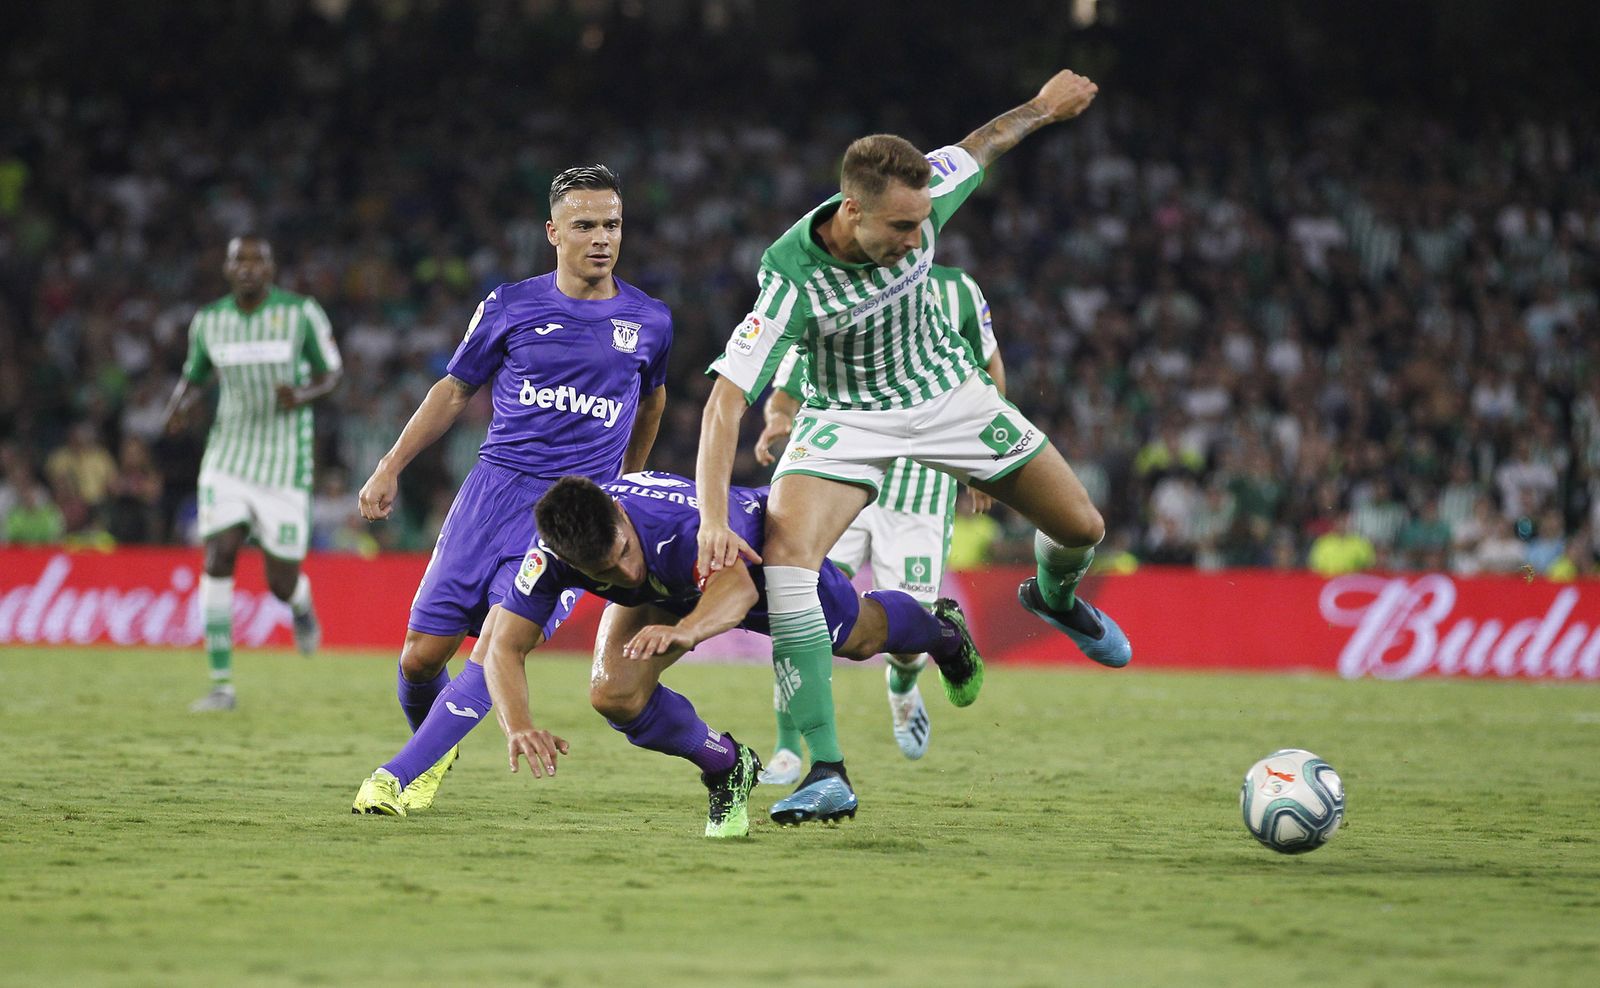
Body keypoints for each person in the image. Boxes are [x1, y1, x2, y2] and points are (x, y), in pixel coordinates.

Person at [694, 69, 1131, 823]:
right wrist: (709, 516)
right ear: (852, 210)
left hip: (947, 394)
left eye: (922, 222)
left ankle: (1054, 597)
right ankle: (825, 769)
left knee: (1082, 528)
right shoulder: (791, 279)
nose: (915, 238)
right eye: (900, 228)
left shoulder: (923, 201)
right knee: (790, 566)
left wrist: (1044, 108)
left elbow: (983, 144)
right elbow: (724, 401)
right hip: (847, 417)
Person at [355, 471, 983, 838]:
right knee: (613, 693)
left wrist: (685, 633)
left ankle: (946, 635)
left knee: (862, 638)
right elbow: (503, 648)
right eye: (606, 569)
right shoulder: (548, 555)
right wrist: (517, 725)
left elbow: (734, 590)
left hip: (757, 562)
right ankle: (728, 766)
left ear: (621, 517)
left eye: (625, 551)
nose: (623, 569)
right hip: (673, 592)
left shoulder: (669, 526)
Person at [352, 165, 671, 812]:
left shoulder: (650, 321)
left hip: (566, 519)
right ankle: (435, 747)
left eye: (611, 224)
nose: (602, 238)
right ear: (553, 232)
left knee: (502, 641)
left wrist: (625, 486)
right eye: (585, 225)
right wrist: (390, 466)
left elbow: (652, 402)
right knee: (419, 658)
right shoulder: (510, 306)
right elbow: (453, 389)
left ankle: (399, 777)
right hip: (489, 496)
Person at [751, 263, 1005, 783]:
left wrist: (986, 455)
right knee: (796, 602)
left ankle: (903, 683)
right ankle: (785, 747)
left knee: (909, 637)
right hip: (841, 476)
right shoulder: (831, 288)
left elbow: (988, 367)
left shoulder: (958, 290)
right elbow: (789, 383)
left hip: (920, 489)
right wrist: (778, 417)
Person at [162, 236, 343, 712]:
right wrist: (178, 406)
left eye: (256, 260)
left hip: (285, 464)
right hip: (227, 456)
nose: (247, 268)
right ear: (225, 268)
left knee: (280, 581)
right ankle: (221, 685)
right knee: (219, 552)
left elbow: (332, 373)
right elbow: (195, 375)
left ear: (270, 267)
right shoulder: (209, 322)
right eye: (238, 260)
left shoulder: (301, 313)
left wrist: (301, 395)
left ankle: (301, 606)